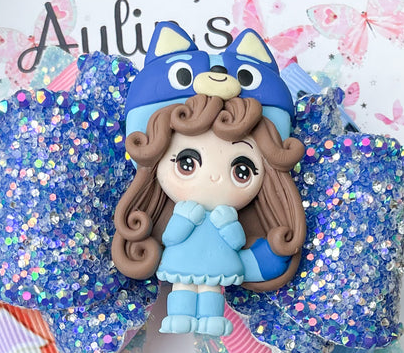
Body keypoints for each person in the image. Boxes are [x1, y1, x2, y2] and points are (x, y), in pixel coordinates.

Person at [112, 92, 306, 336]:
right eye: (186, 163)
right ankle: (179, 315)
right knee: (182, 286)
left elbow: (237, 241)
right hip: (183, 257)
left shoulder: (228, 214)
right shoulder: (182, 210)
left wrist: (228, 225)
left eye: (242, 171)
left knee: (211, 289)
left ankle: (211, 318)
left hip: (218, 260)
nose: (214, 177)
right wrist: (184, 220)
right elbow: (170, 237)